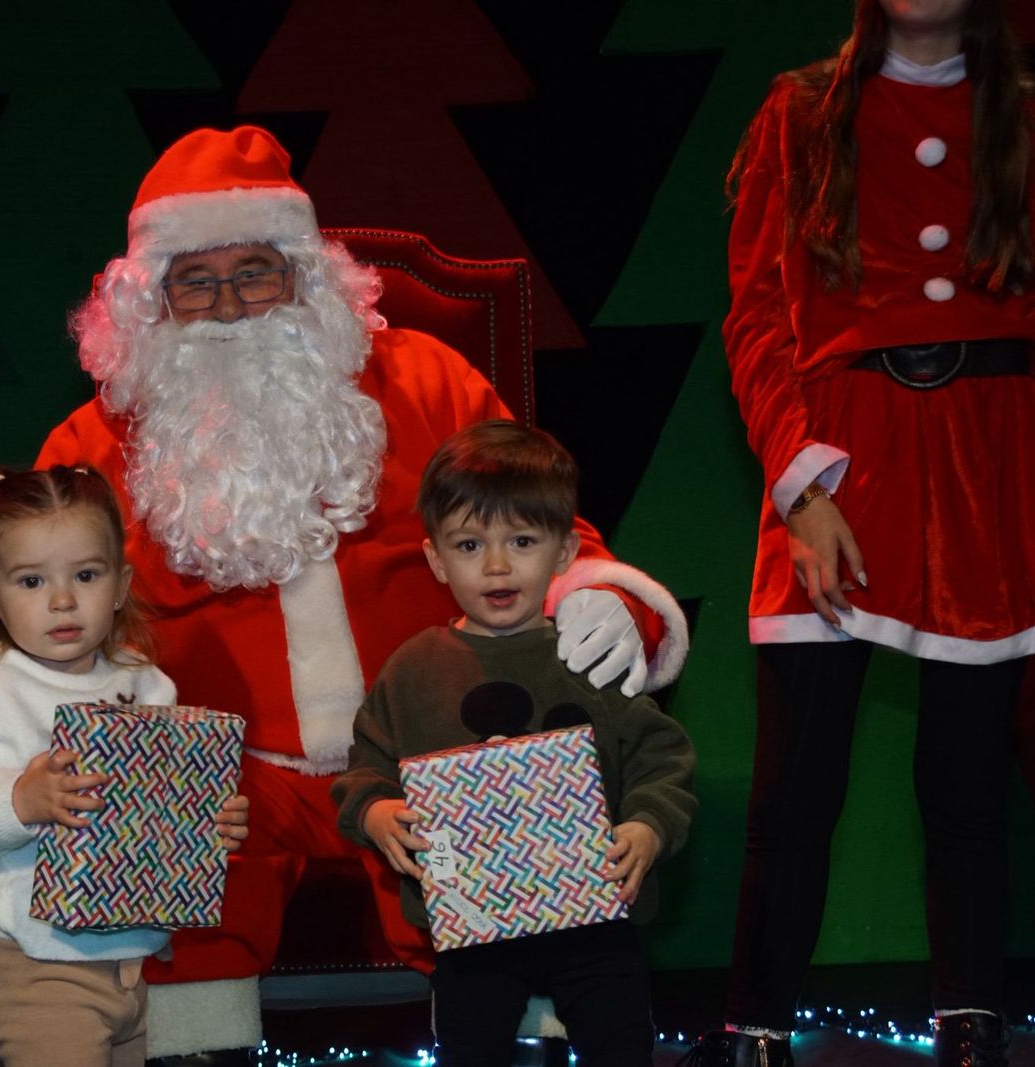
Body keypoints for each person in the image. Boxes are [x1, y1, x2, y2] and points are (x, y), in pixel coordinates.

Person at [37, 124, 692, 1059]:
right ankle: (192, 1045)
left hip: (425, 748)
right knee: (151, 782)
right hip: (232, 773)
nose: (229, 308)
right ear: (153, 303)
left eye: (255, 273)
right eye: (196, 282)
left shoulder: (426, 381)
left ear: (303, 277)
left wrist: (598, 594)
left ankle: (521, 1024)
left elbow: (547, 527)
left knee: (509, 752)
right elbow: (40, 611)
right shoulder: (94, 443)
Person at [683, 3, 1035, 1065]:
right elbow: (756, 313)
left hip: (983, 475)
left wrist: (1013, 441)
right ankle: (756, 1032)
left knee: (967, 782)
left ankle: (971, 1030)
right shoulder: (799, 114)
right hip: (840, 467)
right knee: (795, 787)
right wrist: (801, 486)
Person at [330, 420, 697, 1067]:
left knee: (620, 1042)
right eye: (470, 544)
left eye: (522, 541)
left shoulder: (587, 654)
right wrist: (378, 813)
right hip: (471, 927)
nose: (497, 565)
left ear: (563, 552)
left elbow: (661, 758)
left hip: (594, 921)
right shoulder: (414, 669)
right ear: (436, 559)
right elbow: (365, 768)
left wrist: (647, 827)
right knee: (469, 1045)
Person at [0, 463, 251, 1067]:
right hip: (39, 971)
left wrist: (204, 825)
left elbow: (157, 816)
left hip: (142, 965)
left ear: (120, 584)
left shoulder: (147, 684)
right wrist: (19, 800)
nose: (63, 600)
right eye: (31, 581)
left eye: (86, 575)